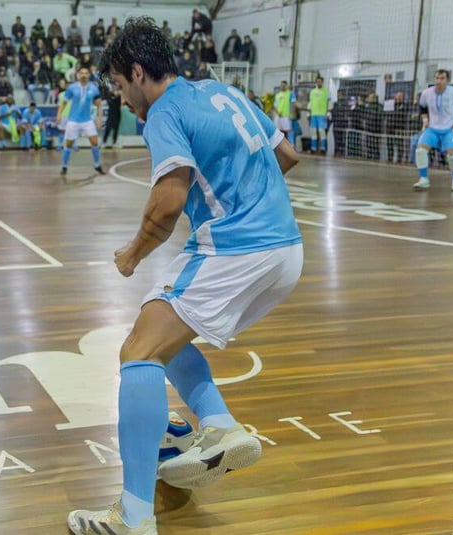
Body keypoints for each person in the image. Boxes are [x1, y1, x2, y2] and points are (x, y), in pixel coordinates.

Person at [69, 17, 303, 534]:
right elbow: (287, 153)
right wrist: (244, 192)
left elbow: (166, 205)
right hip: (286, 250)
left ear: (136, 72)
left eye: (119, 85)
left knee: (138, 351)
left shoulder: (163, 113)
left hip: (237, 249)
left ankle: (133, 517)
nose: (121, 97)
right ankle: (216, 425)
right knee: (165, 337)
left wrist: (133, 253)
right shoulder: (223, 91)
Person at [413, 69, 453, 191]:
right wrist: (425, 121)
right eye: (437, 78)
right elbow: (422, 107)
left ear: (448, 80)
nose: (438, 81)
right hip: (433, 129)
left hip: (450, 129)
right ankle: (424, 179)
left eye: (442, 78)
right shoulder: (426, 93)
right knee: (420, 150)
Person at [57, 66, 104, 177]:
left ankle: (97, 165)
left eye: (86, 73)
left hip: (87, 120)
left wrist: (99, 118)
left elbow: (99, 105)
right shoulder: (72, 88)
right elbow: (63, 103)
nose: (83, 75)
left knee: (95, 142)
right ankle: (64, 166)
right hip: (73, 121)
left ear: (89, 75)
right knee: (68, 144)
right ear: (78, 75)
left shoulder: (94, 88)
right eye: (81, 73)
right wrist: (59, 115)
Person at [308, 76, 329, 154]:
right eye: (317, 81)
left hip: (322, 115)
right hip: (313, 114)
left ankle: (323, 148)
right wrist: (309, 114)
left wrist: (327, 113)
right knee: (313, 131)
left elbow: (328, 103)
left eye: (320, 81)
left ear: (322, 82)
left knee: (322, 131)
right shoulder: (312, 92)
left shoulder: (326, 91)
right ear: (316, 82)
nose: (319, 83)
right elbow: (310, 103)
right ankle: (313, 148)